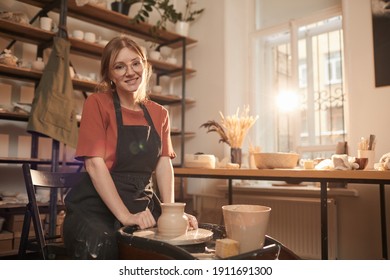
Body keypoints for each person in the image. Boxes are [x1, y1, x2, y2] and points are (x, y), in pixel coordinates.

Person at [63, 35, 198, 259]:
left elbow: (164, 164)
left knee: (179, 244)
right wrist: (125, 217)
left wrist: (171, 212)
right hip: (96, 207)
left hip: (142, 201)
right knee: (105, 244)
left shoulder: (159, 113)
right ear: (109, 75)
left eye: (136, 63)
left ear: (145, 66)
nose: (130, 71)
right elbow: (94, 165)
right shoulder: (97, 104)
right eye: (119, 66)